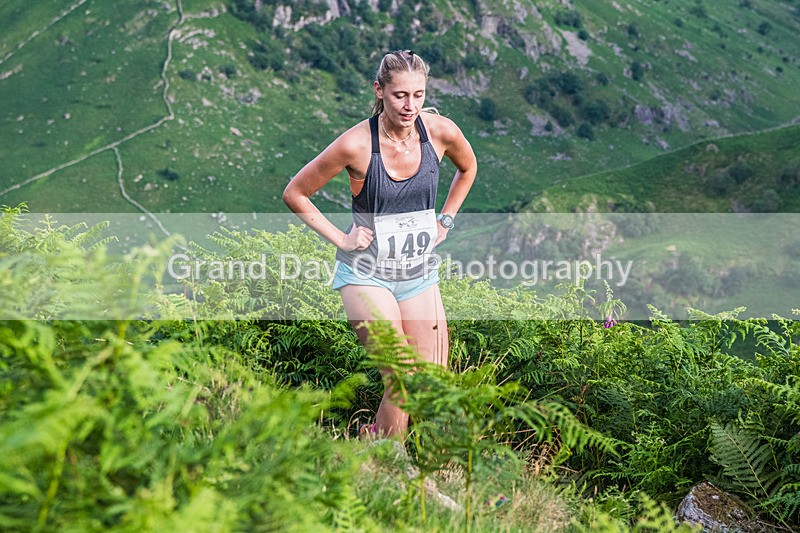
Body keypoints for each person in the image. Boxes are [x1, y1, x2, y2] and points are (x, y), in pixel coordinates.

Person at [283, 50, 477, 438]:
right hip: (366, 274)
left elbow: (468, 168)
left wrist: (446, 220)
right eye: (400, 95)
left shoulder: (440, 131)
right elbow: (296, 192)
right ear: (379, 91)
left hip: (418, 273)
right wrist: (342, 238)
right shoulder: (355, 144)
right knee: (401, 375)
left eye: (419, 95)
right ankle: (393, 463)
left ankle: (383, 447)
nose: (410, 106)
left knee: (430, 377)